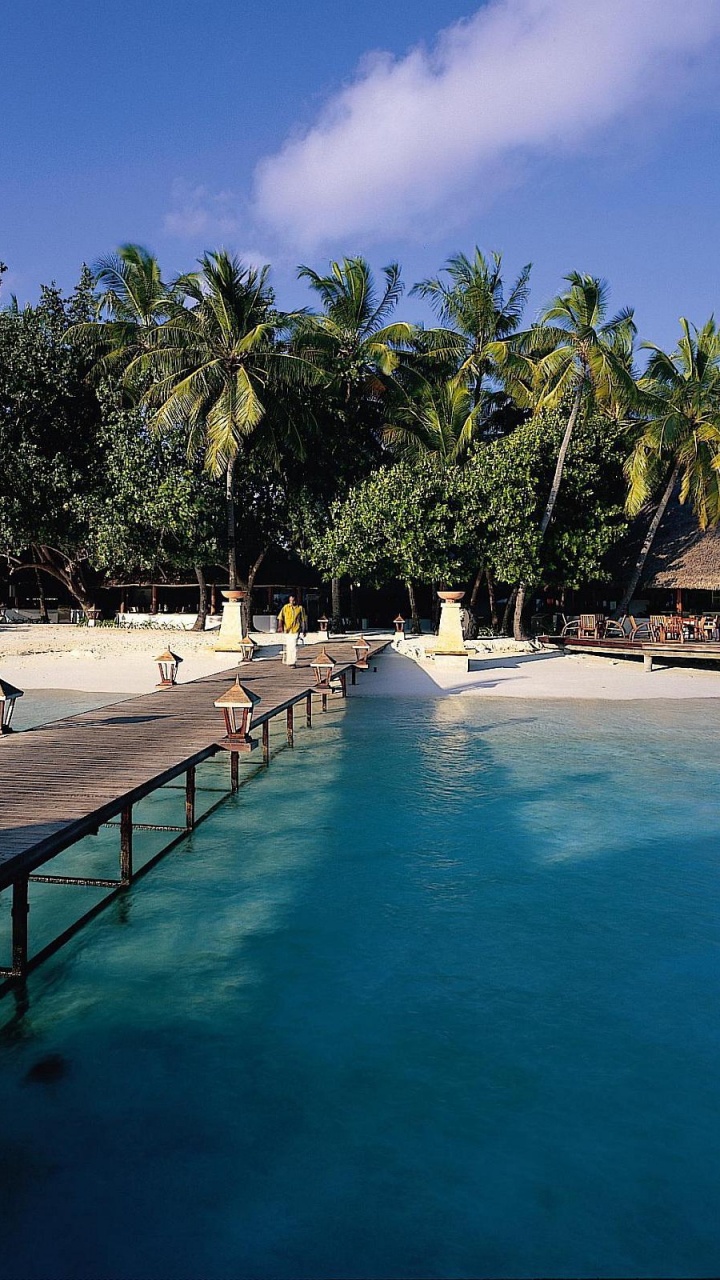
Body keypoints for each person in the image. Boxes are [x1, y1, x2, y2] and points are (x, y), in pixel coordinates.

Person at [277, 594, 307, 666]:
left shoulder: (300, 608)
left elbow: (303, 620)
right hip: (287, 629)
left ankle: (292, 662)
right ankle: (288, 660)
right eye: (290, 600)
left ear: (296, 600)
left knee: (293, 645)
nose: (292, 602)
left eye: (293, 600)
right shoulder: (285, 607)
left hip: (295, 629)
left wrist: (304, 629)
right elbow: (280, 617)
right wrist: (280, 626)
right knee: (288, 645)